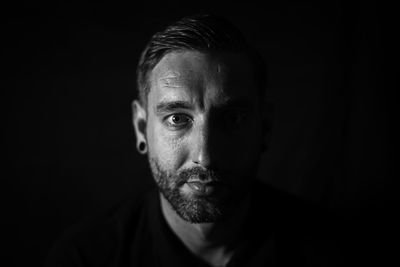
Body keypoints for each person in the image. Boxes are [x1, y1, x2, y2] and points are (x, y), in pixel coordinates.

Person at [45, 14, 339, 267]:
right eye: (177, 119)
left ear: (265, 128)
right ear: (141, 127)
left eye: (232, 119)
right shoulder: (86, 258)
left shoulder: (333, 251)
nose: (206, 155)